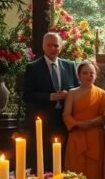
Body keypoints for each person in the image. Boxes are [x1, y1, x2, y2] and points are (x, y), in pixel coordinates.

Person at [23, 32, 79, 170]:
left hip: (65, 119)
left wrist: (70, 94)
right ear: (43, 46)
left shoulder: (70, 66)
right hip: (43, 119)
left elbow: (78, 89)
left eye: (56, 45)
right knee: (44, 158)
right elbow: (27, 95)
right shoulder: (33, 67)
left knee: (64, 156)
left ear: (61, 47)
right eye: (49, 45)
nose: (53, 48)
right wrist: (50, 96)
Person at [63, 60, 105, 179]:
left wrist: (93, 122)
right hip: (77, 134)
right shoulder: (72, 93)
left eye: (92, 73)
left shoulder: (101, 93)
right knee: (76, 168)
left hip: (95, 135)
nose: (89, 76)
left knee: (94, 168)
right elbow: (66, 115)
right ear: (79, 75)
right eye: (85, 73)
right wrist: (78, 124)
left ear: (96, 75)